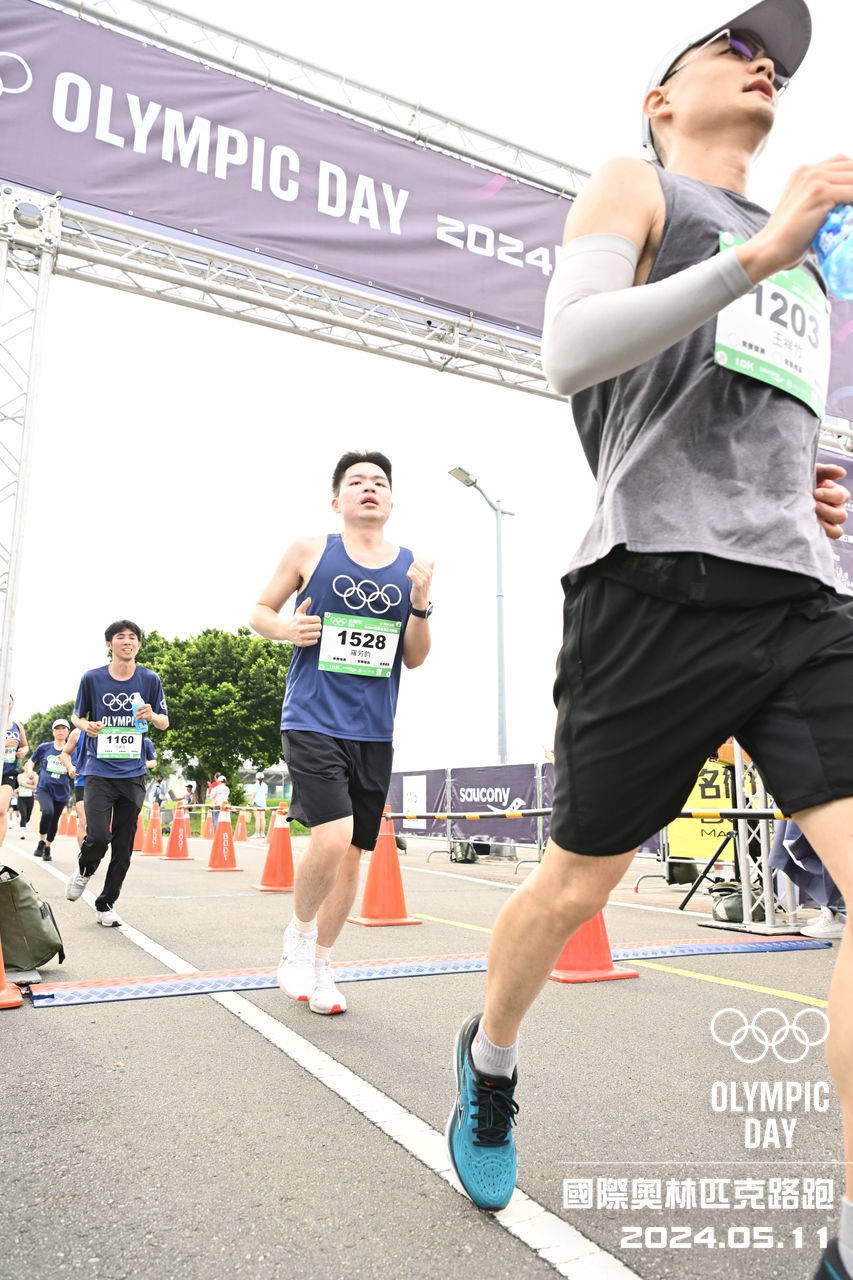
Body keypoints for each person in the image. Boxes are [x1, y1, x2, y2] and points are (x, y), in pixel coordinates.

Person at [444, 8, 853, 1277]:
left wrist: (813, 484)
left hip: (798, 597)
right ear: (662, 98)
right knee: (575, 887)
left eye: (775, 51)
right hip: (650, 587)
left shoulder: (813, 262)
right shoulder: (639, 184)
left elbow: (751, 413)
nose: (762, 55)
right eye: (730, 41)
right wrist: (762, 248)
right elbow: (569, 354)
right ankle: (490, 1060)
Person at [249, 450, 433, 1016]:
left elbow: (415, 657)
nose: (369, 487)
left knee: (352, 854)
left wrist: (420, 606)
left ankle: (323, 965)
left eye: (379, 481)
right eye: (357, 482)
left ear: (391, 500)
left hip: (374, 730)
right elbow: (259, 611)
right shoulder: (311, 550)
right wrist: (286, 628)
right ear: (337, 500)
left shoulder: (414, 566)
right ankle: (299, 939)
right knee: (331, 837)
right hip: (312, 717)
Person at [65, 620, 168, 927]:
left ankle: (106, 903)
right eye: (120, 637)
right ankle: (84, 870)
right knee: (98, 836)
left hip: (133, 774)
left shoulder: (149, 679)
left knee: (123, 846)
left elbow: (164, 722)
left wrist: (152, 715)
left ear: (139, 644)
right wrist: (87, 725)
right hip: (98, 771)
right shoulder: (92, 678)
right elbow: (76, 716)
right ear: (109, 644)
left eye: (133, 637)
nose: (127, 641)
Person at [24, 719, 72, 861]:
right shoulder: (44, 747)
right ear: (53, 731)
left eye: (63, 728)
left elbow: (76, 768)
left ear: (68, 732)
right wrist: (30, 771)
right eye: (57, 728)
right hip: (44, 788)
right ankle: (41, 840)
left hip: (62, 791)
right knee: (47, 812)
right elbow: (31, 761)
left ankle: (48, 846)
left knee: (55, 819)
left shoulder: (72, 750)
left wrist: (70, 767)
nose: (60, 731)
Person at [0, 695, 28, 846]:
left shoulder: (17, 726)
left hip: (9, 771)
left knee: (1, 809)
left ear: (12, 705)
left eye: (9, 703)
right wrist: (4, 743)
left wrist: (22, 751)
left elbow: (25, 745)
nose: (6, 705)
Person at [60, 726, 90, 849]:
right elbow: (64, 754)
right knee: (84, 819)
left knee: (99, 825)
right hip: (82, 780)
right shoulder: (78, 733)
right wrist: (70, 767)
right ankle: (84, 856)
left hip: (106, 780)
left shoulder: (114, 728)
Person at [249, 772, 268, 837]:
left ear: (256, 778)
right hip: (263, 803)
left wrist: (249, 803)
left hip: (256, 803)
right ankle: (263, 833)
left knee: (257, 818)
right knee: (263, 818)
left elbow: (253, 796)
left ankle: (256, 833)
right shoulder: (265, 785)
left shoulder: (255, 785)